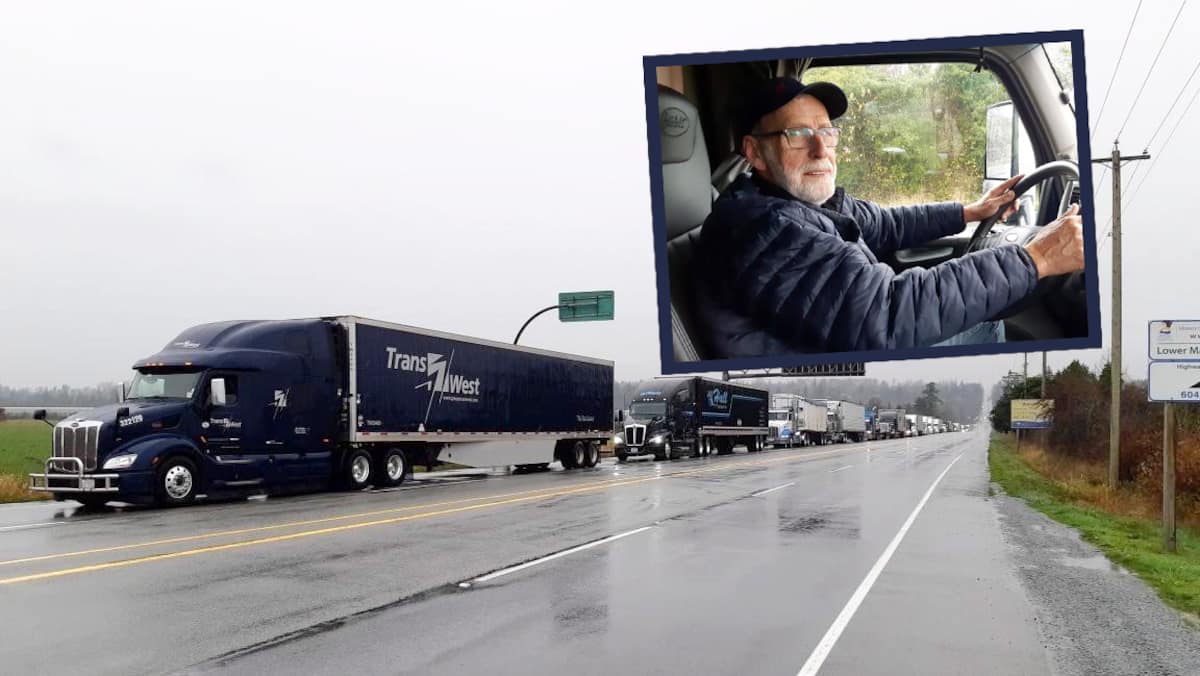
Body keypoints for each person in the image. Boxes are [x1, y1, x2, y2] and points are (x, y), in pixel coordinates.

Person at [690, 76, 1085, 357]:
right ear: (755, 153)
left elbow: (886, 223)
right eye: (796, 134)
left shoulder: (796, 200)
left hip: (835, 340)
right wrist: (1040, 257)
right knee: (989, 326)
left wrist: (971, 211)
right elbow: (887, 316)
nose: (821, 150)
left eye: (827, 132)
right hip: (824, 367)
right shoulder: (763, 230)